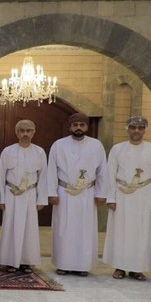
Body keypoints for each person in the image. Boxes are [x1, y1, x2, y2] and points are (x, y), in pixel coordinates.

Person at [103, 116, 151, 281]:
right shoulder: (117, 149)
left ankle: (138, 268)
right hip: (121, 195)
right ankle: (120, 266)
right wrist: (111, 198)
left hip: (143, 195)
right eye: (133, 127)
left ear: (145, 130)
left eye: (140, 128)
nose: (136, 131)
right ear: (127, 129)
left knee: (141, 232)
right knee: (121, 231)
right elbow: (110, 174)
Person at [47, 112, 106, 277]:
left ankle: (83, 265)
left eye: (81, 125)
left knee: (84, 230)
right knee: (64, 229)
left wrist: (101, 193)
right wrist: (51, 192)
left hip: (87, 194)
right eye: (75, 125)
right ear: (70, 126)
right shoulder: (59, 145)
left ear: (86, 126)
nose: (78, 128)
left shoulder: (96, 145)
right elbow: (51, 170)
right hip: (64, 193)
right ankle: (63, 264)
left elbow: (102, 171)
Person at [0, 119, 47, 273]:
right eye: (22, 130)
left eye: (28, 130)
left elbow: (44, 176)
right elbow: (0, 176)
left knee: (29, 229)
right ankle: (10, 260)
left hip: (30, 195)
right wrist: (1, 198)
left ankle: (26, 261)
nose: (25, 133)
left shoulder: (39, 152)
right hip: (11, 195)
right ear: (16, 133)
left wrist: (41, 199)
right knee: (11, 227)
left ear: (33, 133)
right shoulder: (8, 151)